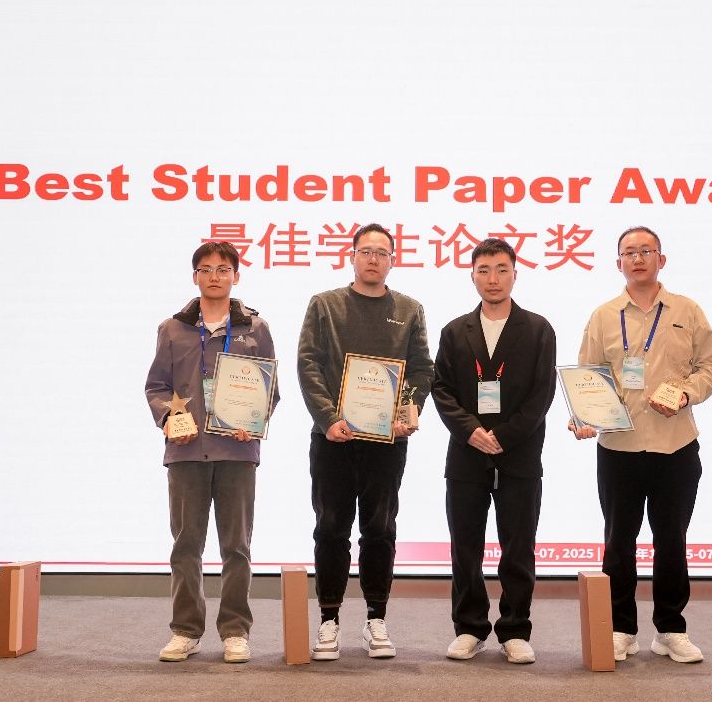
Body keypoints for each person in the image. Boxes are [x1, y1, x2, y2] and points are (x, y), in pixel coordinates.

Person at [572, 226, 712, 665]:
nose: (637, 259)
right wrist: (583, 416)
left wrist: (686, 393)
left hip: (676, 447)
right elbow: (588, 375)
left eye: (646, 251)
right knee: (618, 542)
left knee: (671, 540)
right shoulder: (604, 316)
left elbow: (711, 367)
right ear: (618, 263)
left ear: (661, 259)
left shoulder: (687, 311)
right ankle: (621, 628)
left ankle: (671, 629)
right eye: (629, 253)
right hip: (619, 448)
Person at [297, 223, 434, 660]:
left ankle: (376, 617)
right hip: (333, 438)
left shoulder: (409, 310)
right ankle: (329, 619)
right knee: (330, 528)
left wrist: (405, 413)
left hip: (387, 441)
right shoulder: (325, 305)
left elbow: (421, 369)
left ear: (393, 260)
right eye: (366, 251)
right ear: (352, 256)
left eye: (382, 252)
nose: (373, 258)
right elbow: (308, 364)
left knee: (380, 529)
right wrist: (328, 418)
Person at [145, 241, 279, 664]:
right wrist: (170, 418)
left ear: (236, 276)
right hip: (186, 452)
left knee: (236, 547)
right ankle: (185, 630)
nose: (215, 276)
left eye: (223, 269)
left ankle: (235, 630)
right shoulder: (172, 329)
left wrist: (253, 420)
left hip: (237, 451)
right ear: (195, 277)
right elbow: (157, 387)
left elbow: (269, 389)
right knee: (186, 545)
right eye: (206, 269)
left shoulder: (256, 328)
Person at [431, 238, 556, 665]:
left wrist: (503, 435)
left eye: (502, 269)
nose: (493, 279)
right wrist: (471, 431)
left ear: (515, 274)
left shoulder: (537, 329)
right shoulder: (455, 331)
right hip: (466, 456)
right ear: (472, 276)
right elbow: (442, 389)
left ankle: (515, 629)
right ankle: (469, 627)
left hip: (519, 455)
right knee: (465, 547)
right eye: (484, 270)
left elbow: (542, 393)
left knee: (518, 547)